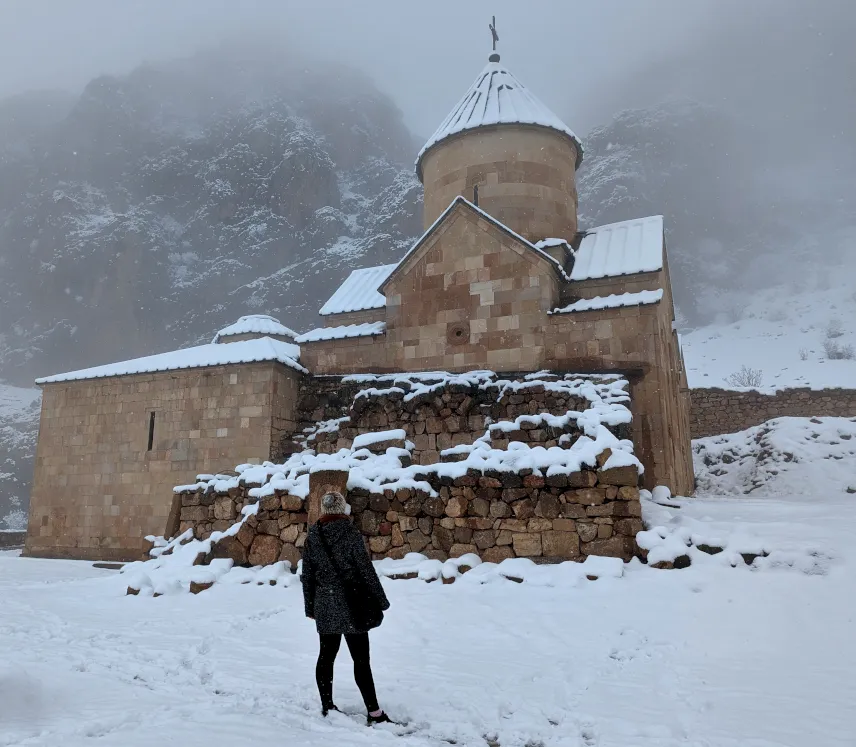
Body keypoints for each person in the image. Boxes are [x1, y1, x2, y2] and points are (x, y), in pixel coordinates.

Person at [301, 491, 392, 725]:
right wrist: (381, 601)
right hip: (353, 603)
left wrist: (310, 606)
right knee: (361, 659)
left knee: (326, 656)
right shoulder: (350, 533)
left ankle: (327, 705)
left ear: (323, 509)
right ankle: (374, 712)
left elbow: (307, 574)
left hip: (325, 603)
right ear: (341, 509)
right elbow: (365, 570)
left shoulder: (313, 536)